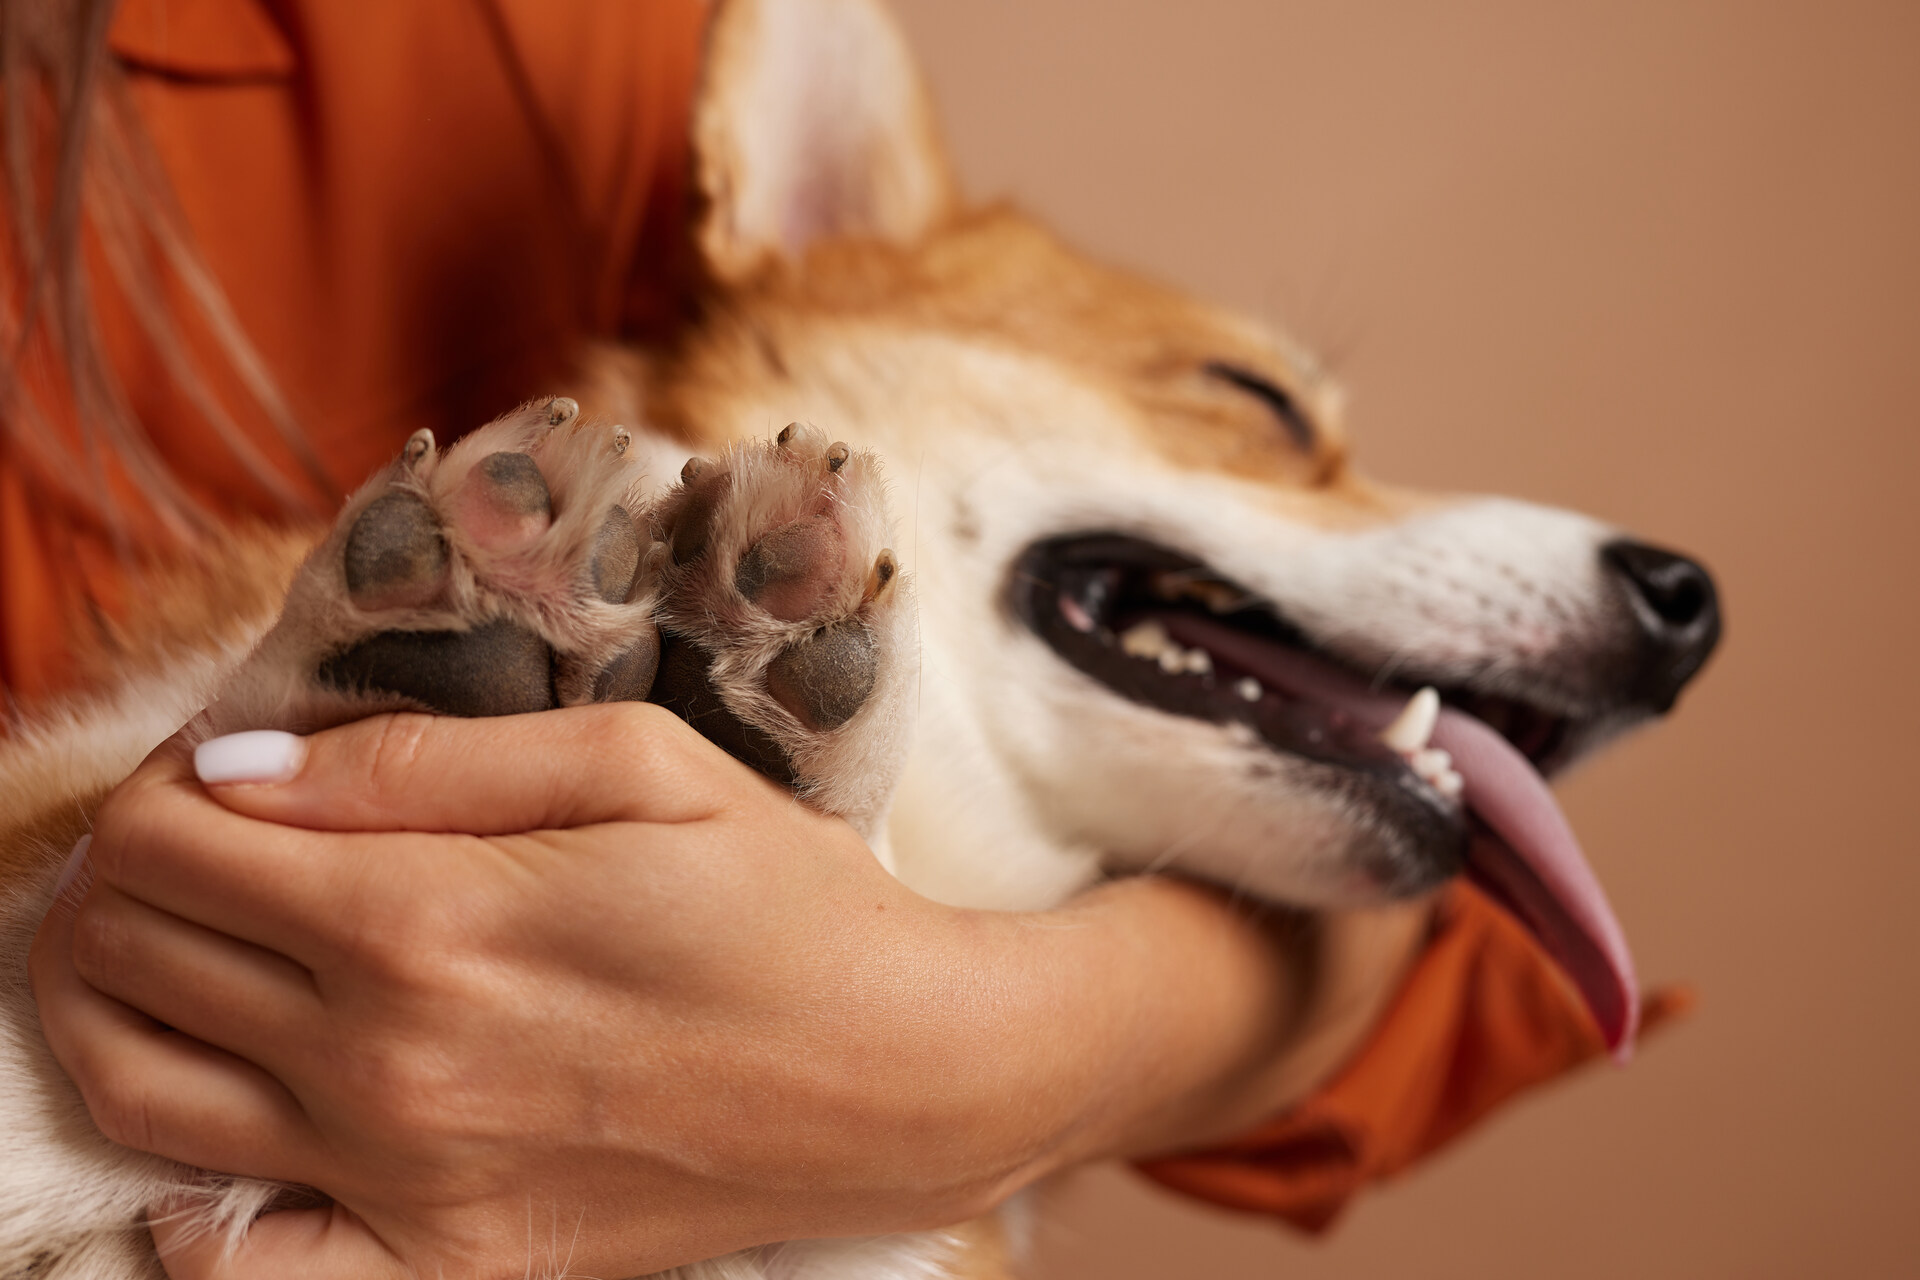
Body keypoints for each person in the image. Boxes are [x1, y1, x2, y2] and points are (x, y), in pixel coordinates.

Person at [10, 2, 1641, 1276]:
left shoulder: (518, 43)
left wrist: (984, 1061)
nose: (1313, 472)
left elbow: (1412, 960)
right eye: (1259, 409)